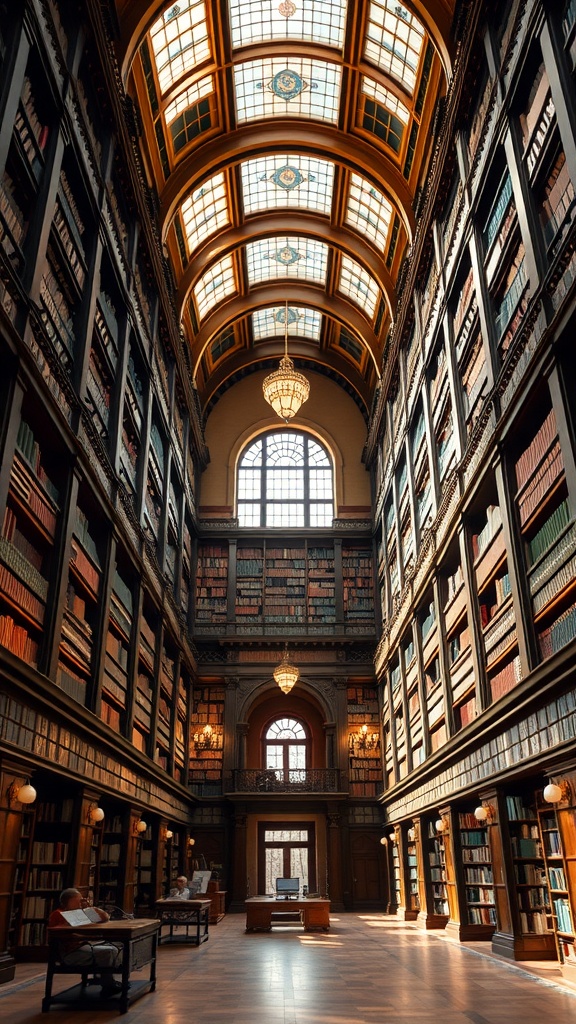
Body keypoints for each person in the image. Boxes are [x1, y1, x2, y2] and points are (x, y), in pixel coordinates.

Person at [47, 888, 123, 998]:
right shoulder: (59, 914)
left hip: (84, 945)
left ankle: (107, 979)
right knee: (108, 952)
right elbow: (62, 933)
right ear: (69, 901)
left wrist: (89, 908)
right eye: (78, 900)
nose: (81, 903)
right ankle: (107, 985)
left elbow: (104, 918)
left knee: (119, 946)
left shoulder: (79, 913)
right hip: (71, 952)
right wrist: (85, 936)